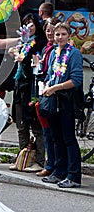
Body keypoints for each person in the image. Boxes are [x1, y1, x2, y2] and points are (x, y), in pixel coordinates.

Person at [41, 22, 83, 188]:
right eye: (57, 34)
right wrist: (46, 86)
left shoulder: (74, 54)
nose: (59, 37)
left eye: (63, 34)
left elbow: (76, 80)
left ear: (69, 35)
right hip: (53, 100)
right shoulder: (53, 53)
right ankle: (59, 172)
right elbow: (50, 75)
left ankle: (73, 175)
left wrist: (55, 88)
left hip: (66, 100)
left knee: (68, 138)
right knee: (55, 137)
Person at [8, 13, 46, 172]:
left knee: (36, 126)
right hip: (20, 86)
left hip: (32, 88)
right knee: (20, 125)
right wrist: (15, 50)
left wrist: (19, 55)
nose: (28, 28)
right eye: (26, 25)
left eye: (31, 25)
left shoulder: (40, 42)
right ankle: (22, 158)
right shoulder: (23, 41)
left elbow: (32, 61)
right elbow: (15, 54)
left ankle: (39, 160)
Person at [34, 17, 60, 177]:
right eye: (48, 30)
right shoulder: (46, 48)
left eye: (53, 31)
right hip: (41, 91)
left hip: (52, 94)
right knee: (47, 132)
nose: (50, 33)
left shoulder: (58, 50)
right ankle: (50, 164)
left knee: (52, 133)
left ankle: (53, 165)